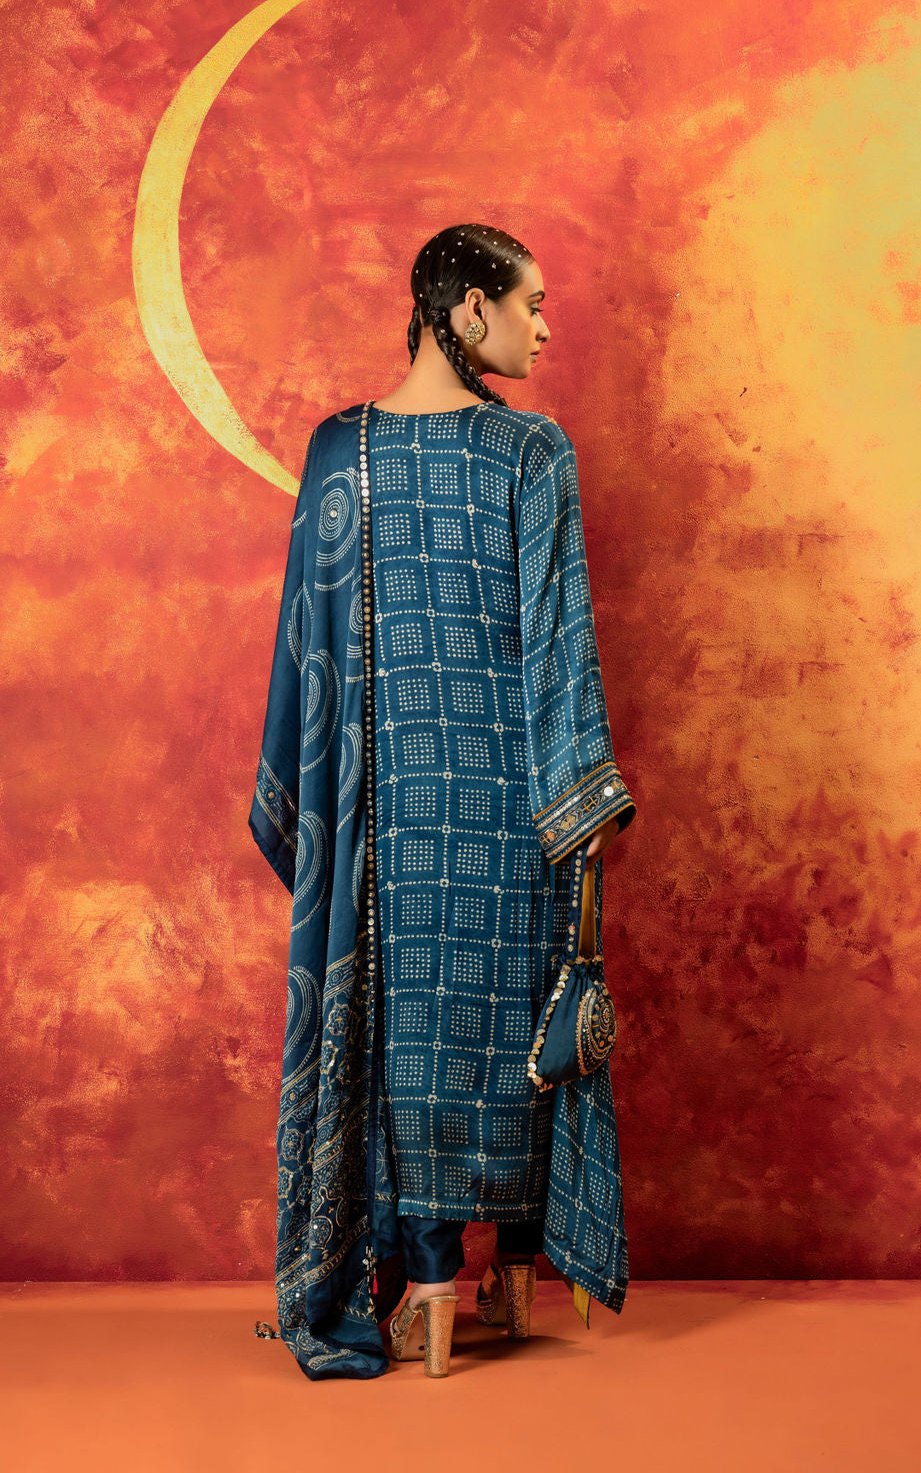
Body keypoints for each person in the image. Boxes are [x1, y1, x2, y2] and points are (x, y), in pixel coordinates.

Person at [249, 223, 637, 1381]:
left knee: (417, 1039)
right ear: (469, 309)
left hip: (386, 824)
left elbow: (309, 659)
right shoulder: (529, 452)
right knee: (497, 1038)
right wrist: (581, 809)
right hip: (509, 810)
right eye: (531, 304)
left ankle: (435, 1275)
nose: (545, 328)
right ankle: (487, 1270)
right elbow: (557, 649)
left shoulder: (347, 452)